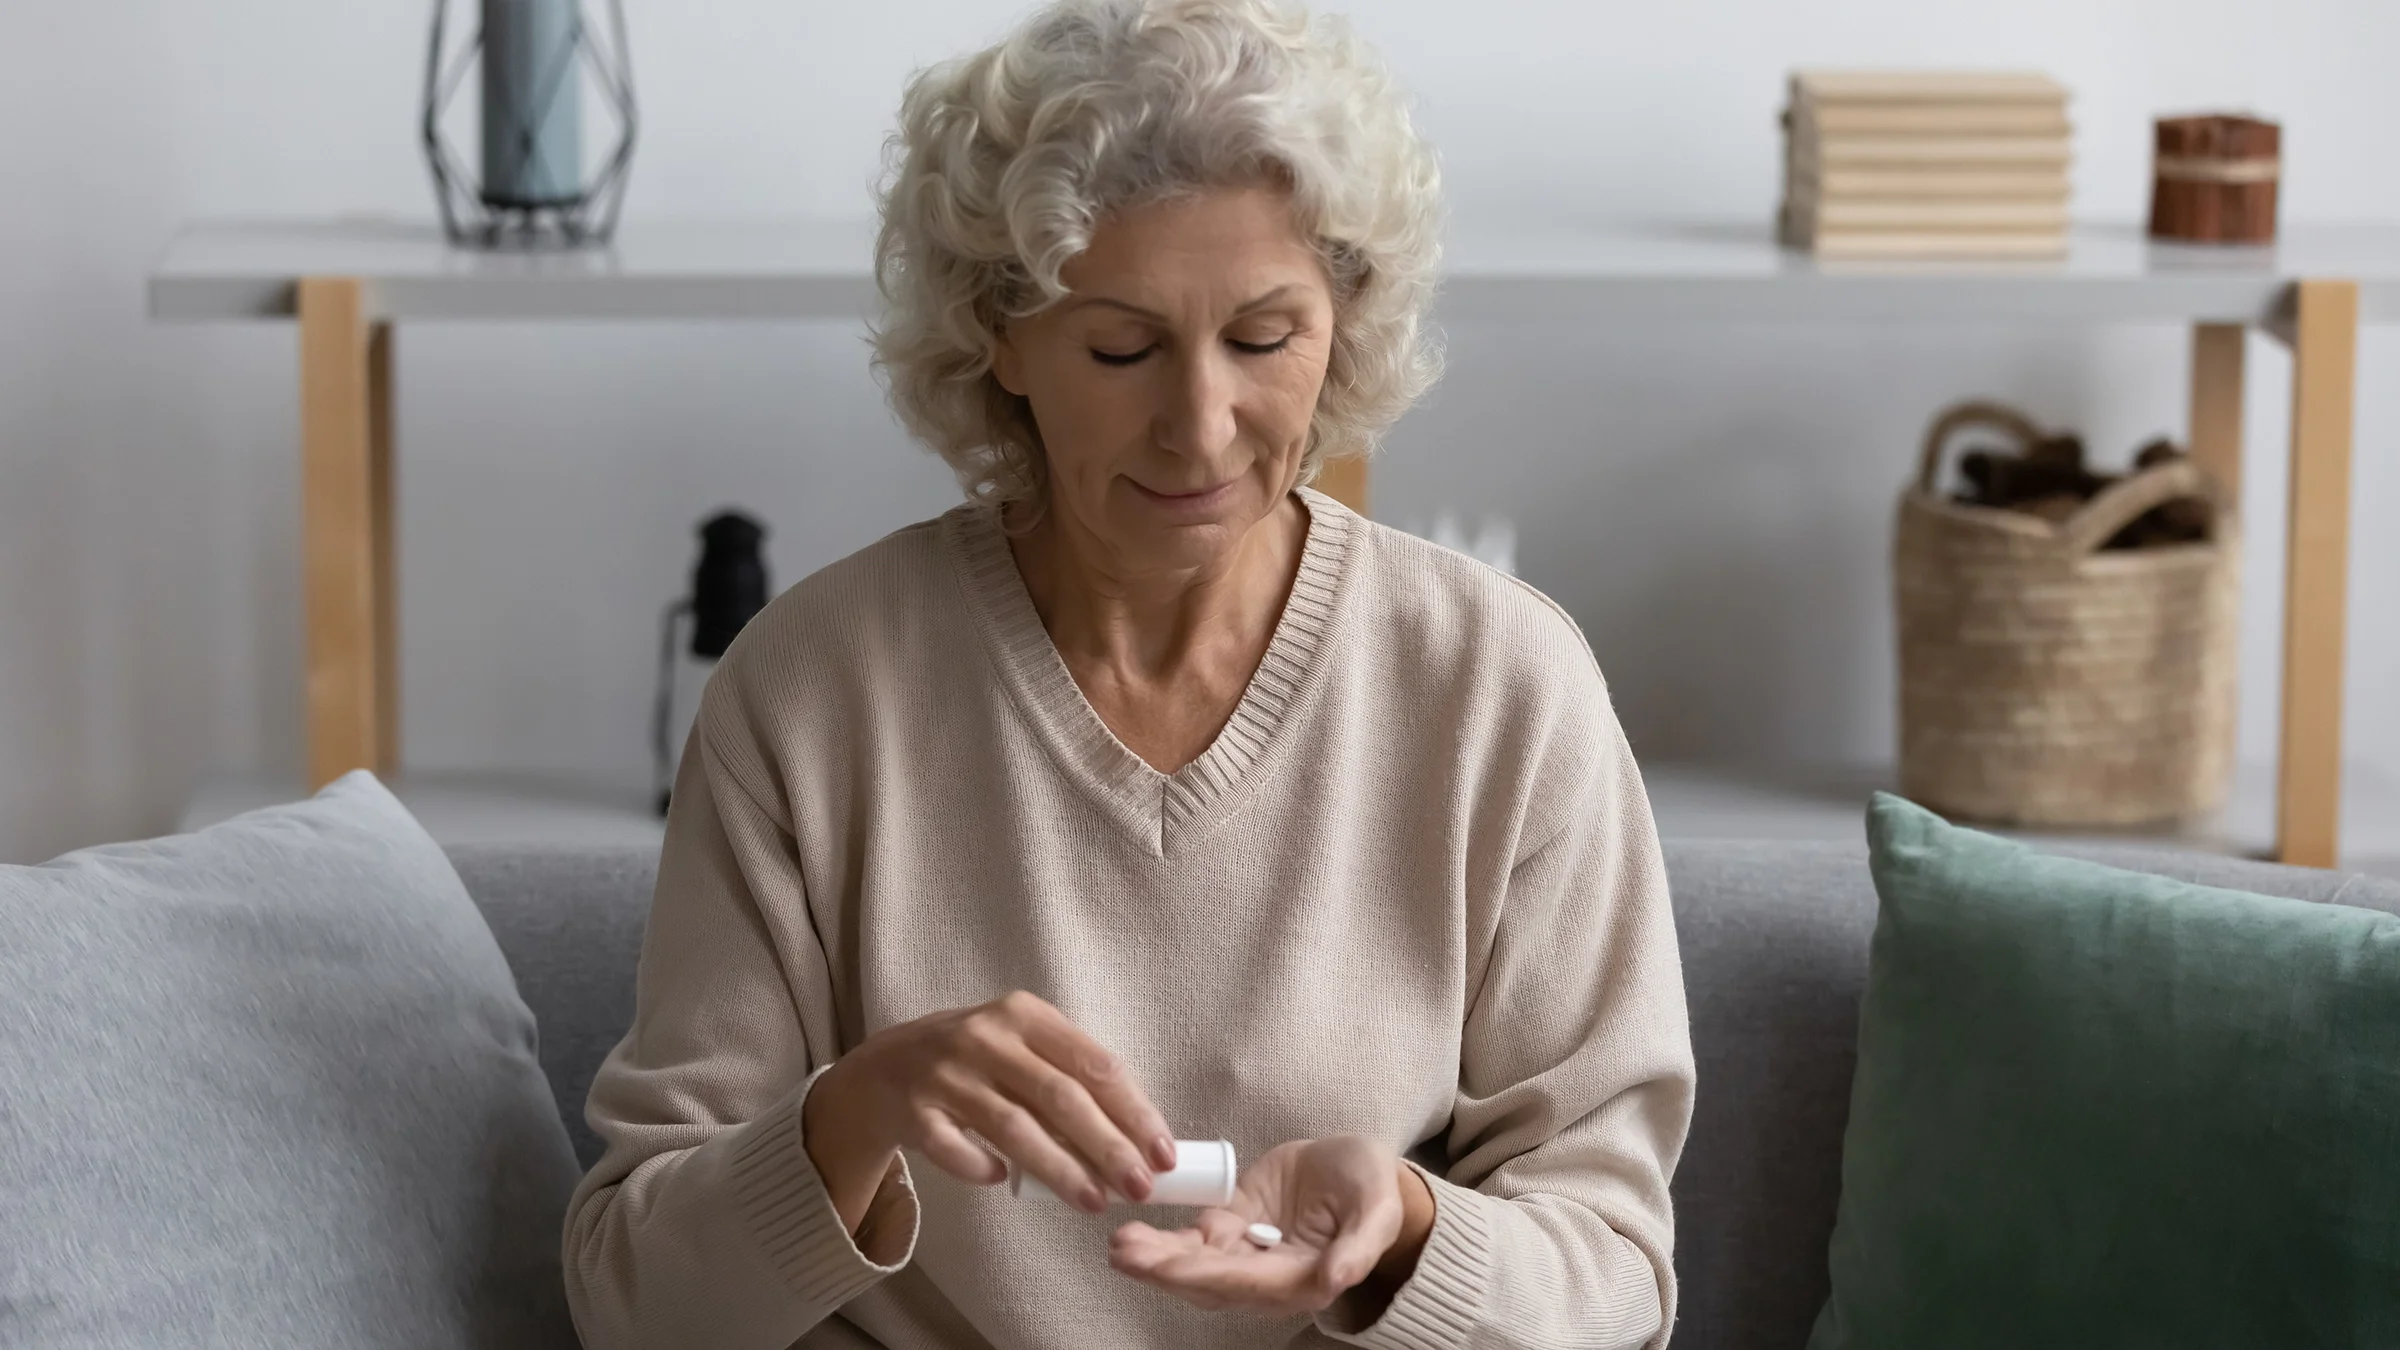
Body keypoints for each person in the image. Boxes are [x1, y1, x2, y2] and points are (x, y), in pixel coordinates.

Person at [560, 0, 1695, 1345]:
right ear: (1002, 332)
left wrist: (1406, 1236)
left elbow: (1618, 1278)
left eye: (1265, 338)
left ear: (1346, 316)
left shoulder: (1501, 689)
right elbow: (632, 1299)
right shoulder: (812, 695)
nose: (1201, 425)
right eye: (1122, 348)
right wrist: (851, 1115)